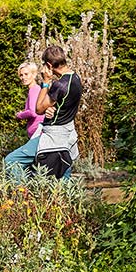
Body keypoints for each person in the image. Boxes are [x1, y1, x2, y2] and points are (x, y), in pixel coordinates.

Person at [35, 46, 82, 179]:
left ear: (49, 65)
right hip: (68, 133)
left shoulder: (60, 85)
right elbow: (63, 104)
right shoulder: (76, 78)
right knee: (64, 170)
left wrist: (45, 82)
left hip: (55, 136)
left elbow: (38, 109)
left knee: (12, 159)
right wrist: (51, 109)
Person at [4, 61, 44, 180]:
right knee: (32, 169)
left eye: (26, 74)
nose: (23, 78)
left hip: (38, 134)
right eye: (21, 75)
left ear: (34, 74)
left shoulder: (34, 89)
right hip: (36, 135)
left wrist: (20, 115)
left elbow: (32, 112)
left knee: (10, 161)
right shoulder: (35, 90)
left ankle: (20, 190)